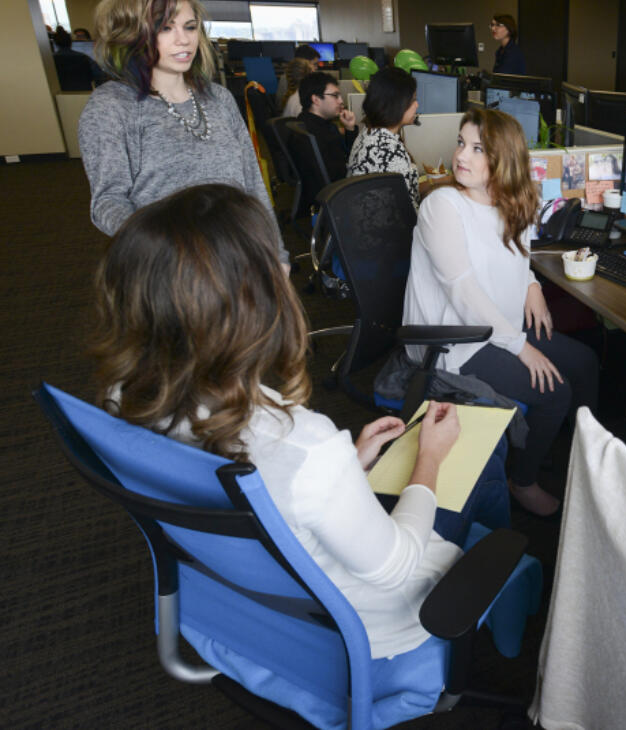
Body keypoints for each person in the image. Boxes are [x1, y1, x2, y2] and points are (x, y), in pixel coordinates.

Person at [89, 184, 514, 669]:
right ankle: (492, 582)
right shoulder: (306, 446)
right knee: (484, 458)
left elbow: (263, 489)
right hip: (366, 625)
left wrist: (348, 464)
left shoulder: (123, 397)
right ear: (254, 300)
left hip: (251, 598)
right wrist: (430, 456)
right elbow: (396, 568)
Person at [404, 108, 598, 517]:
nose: (462, 156)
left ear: (504, 159)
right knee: (553, 391)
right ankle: (522, 480)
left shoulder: (514, 201)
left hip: (500, 324)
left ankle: (573, 460)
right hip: (455, 341)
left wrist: (531, 285)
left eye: (478, 149)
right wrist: (521, 347)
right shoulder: (443, 206)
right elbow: (463, 292)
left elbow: (516, 257)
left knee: (584, 362)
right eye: (461, 143)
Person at [77, 0, 283, 261]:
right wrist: (165, 249)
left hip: (242, 259)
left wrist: (278, 255)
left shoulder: (219, 99)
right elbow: (108, 202)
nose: (183, 40)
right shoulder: (112, 106)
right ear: (133, 34)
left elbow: (254, 187)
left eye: (189, 27)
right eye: (164, 28)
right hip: (172, 269)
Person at [347, 66, 422, 207]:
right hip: (390, 226)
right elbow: (409, 212)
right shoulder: (389, 151)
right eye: (413, 100)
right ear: (396, 104)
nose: (417, 105)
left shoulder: (369, 132)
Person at [297, 70, 358, 182]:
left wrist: (350, 128)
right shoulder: (314, 133)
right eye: (335, 96)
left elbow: (350, 154)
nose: (341, 101)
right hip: (336, 192)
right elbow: (344, 170)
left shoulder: (314, 124)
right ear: (316, 99)